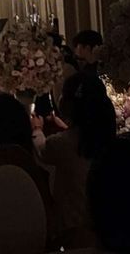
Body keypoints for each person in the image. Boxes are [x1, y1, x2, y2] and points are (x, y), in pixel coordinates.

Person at [39, 74, 116, 241]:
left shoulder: (60, 144)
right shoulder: (108, 141)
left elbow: (42, 151)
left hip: (71, 234)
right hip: (104, 231)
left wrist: (37, 129)